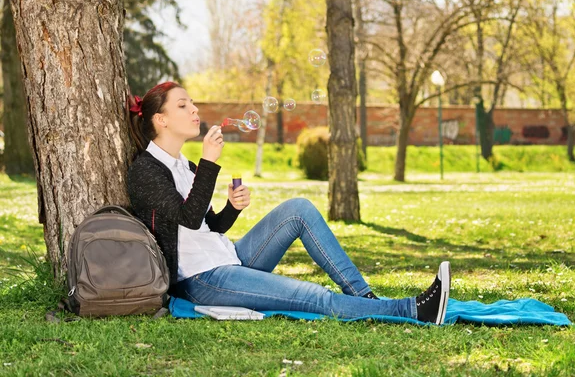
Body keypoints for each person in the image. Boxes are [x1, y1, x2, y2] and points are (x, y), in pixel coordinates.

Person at [126, 82, 451, 324]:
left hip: (230, 259)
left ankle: (363, 295)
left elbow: (211, 226)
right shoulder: (146, 170)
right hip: (203, 280)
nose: (194, 109)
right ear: (161, 120)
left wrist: (231, 208)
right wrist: (210, 163)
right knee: (312, 296)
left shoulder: (186, 165)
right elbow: (189, 219)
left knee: (299, 209)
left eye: (193, 103)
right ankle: (412, 310)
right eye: (183, 105)